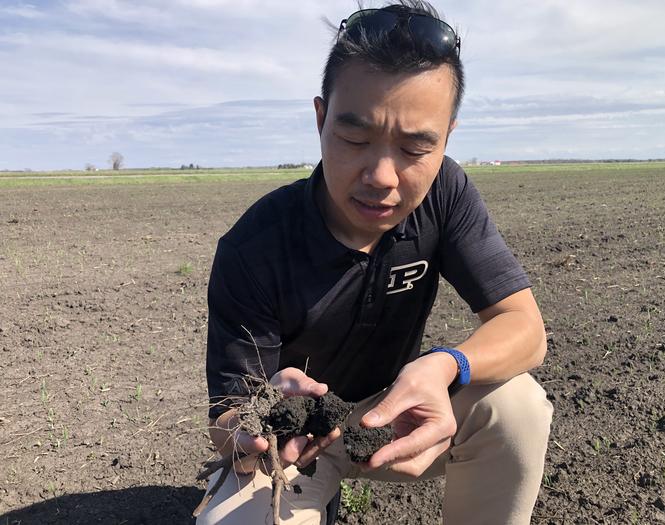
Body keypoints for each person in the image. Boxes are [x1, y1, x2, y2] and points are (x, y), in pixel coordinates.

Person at [198, 2, 553, 523]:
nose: (383, 176)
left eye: (414, 148)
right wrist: (256, 421)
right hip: (298, 443)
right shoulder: (254, 247)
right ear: (320, 119)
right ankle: (316, 494)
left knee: (517, 407)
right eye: (355, 138)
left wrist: (444, 366)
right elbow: (226, 417)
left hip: (401, 411)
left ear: (447, 138)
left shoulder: (446, 193)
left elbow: (525, 328)